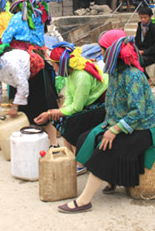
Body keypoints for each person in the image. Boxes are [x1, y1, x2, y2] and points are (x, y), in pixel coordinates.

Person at [58, 29, 155, 213]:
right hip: (121, 123)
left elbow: (138, 112)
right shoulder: (114, 71)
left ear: (112, 51)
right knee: (85, 138)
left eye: (103, 49)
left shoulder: (132, 75)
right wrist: (108, 126)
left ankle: (84, 201)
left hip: (142, 129)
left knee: (105, 148)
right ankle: (112, 180)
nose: (101, 53)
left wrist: (114, 130)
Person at [34, 43, 108, 175]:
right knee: (61, 119)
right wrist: (60, 110)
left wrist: (55, 112)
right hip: (86, 101)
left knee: (72, 124)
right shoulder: (71, 71)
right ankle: (70, 156)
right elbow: (69, 95)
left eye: (55, 65)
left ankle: (80, 162)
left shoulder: (81, 76)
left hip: (101, 103)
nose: (54, 68)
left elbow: (78, 106)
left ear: (62, 64)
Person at [0, 44, 59, 146]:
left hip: (35, 74)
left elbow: (22, 86)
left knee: (41, 110)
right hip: (16, 80)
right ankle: (32, 142)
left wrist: (14, 107)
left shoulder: (11, 64)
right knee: (25, 112)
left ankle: (54, 142)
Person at [135, 6, 155, 85]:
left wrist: (144, 52)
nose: (143, 19)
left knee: (137, 62)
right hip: (140, 52)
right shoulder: (140, 27)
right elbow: (137, 40)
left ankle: (148, 79)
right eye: (141, 17)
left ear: (150, 16)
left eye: (145, 17)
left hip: (150, 55)